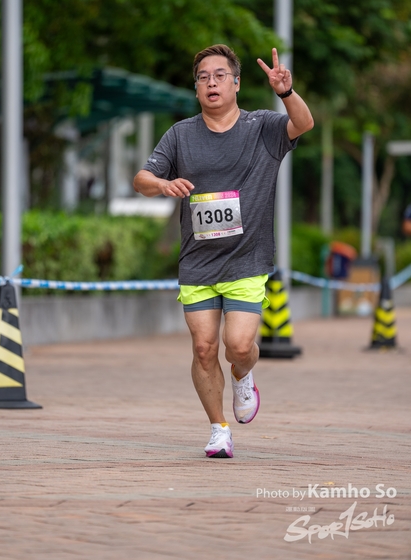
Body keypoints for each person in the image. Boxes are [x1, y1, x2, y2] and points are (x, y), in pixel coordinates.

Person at [133, 44, 314, 458]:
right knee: (203, 348)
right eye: (203, 78)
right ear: (196, 88)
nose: (211, 83)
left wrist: (286, 93)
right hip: (198, 262)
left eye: (219, 76)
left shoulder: (262, 126)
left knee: (238, 346)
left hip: (248, 259)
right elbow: (141, 178)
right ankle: (219, 429)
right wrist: (162, 184)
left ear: (236, 83)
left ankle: (243, 375)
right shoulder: (180, 135)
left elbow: (303, 123)